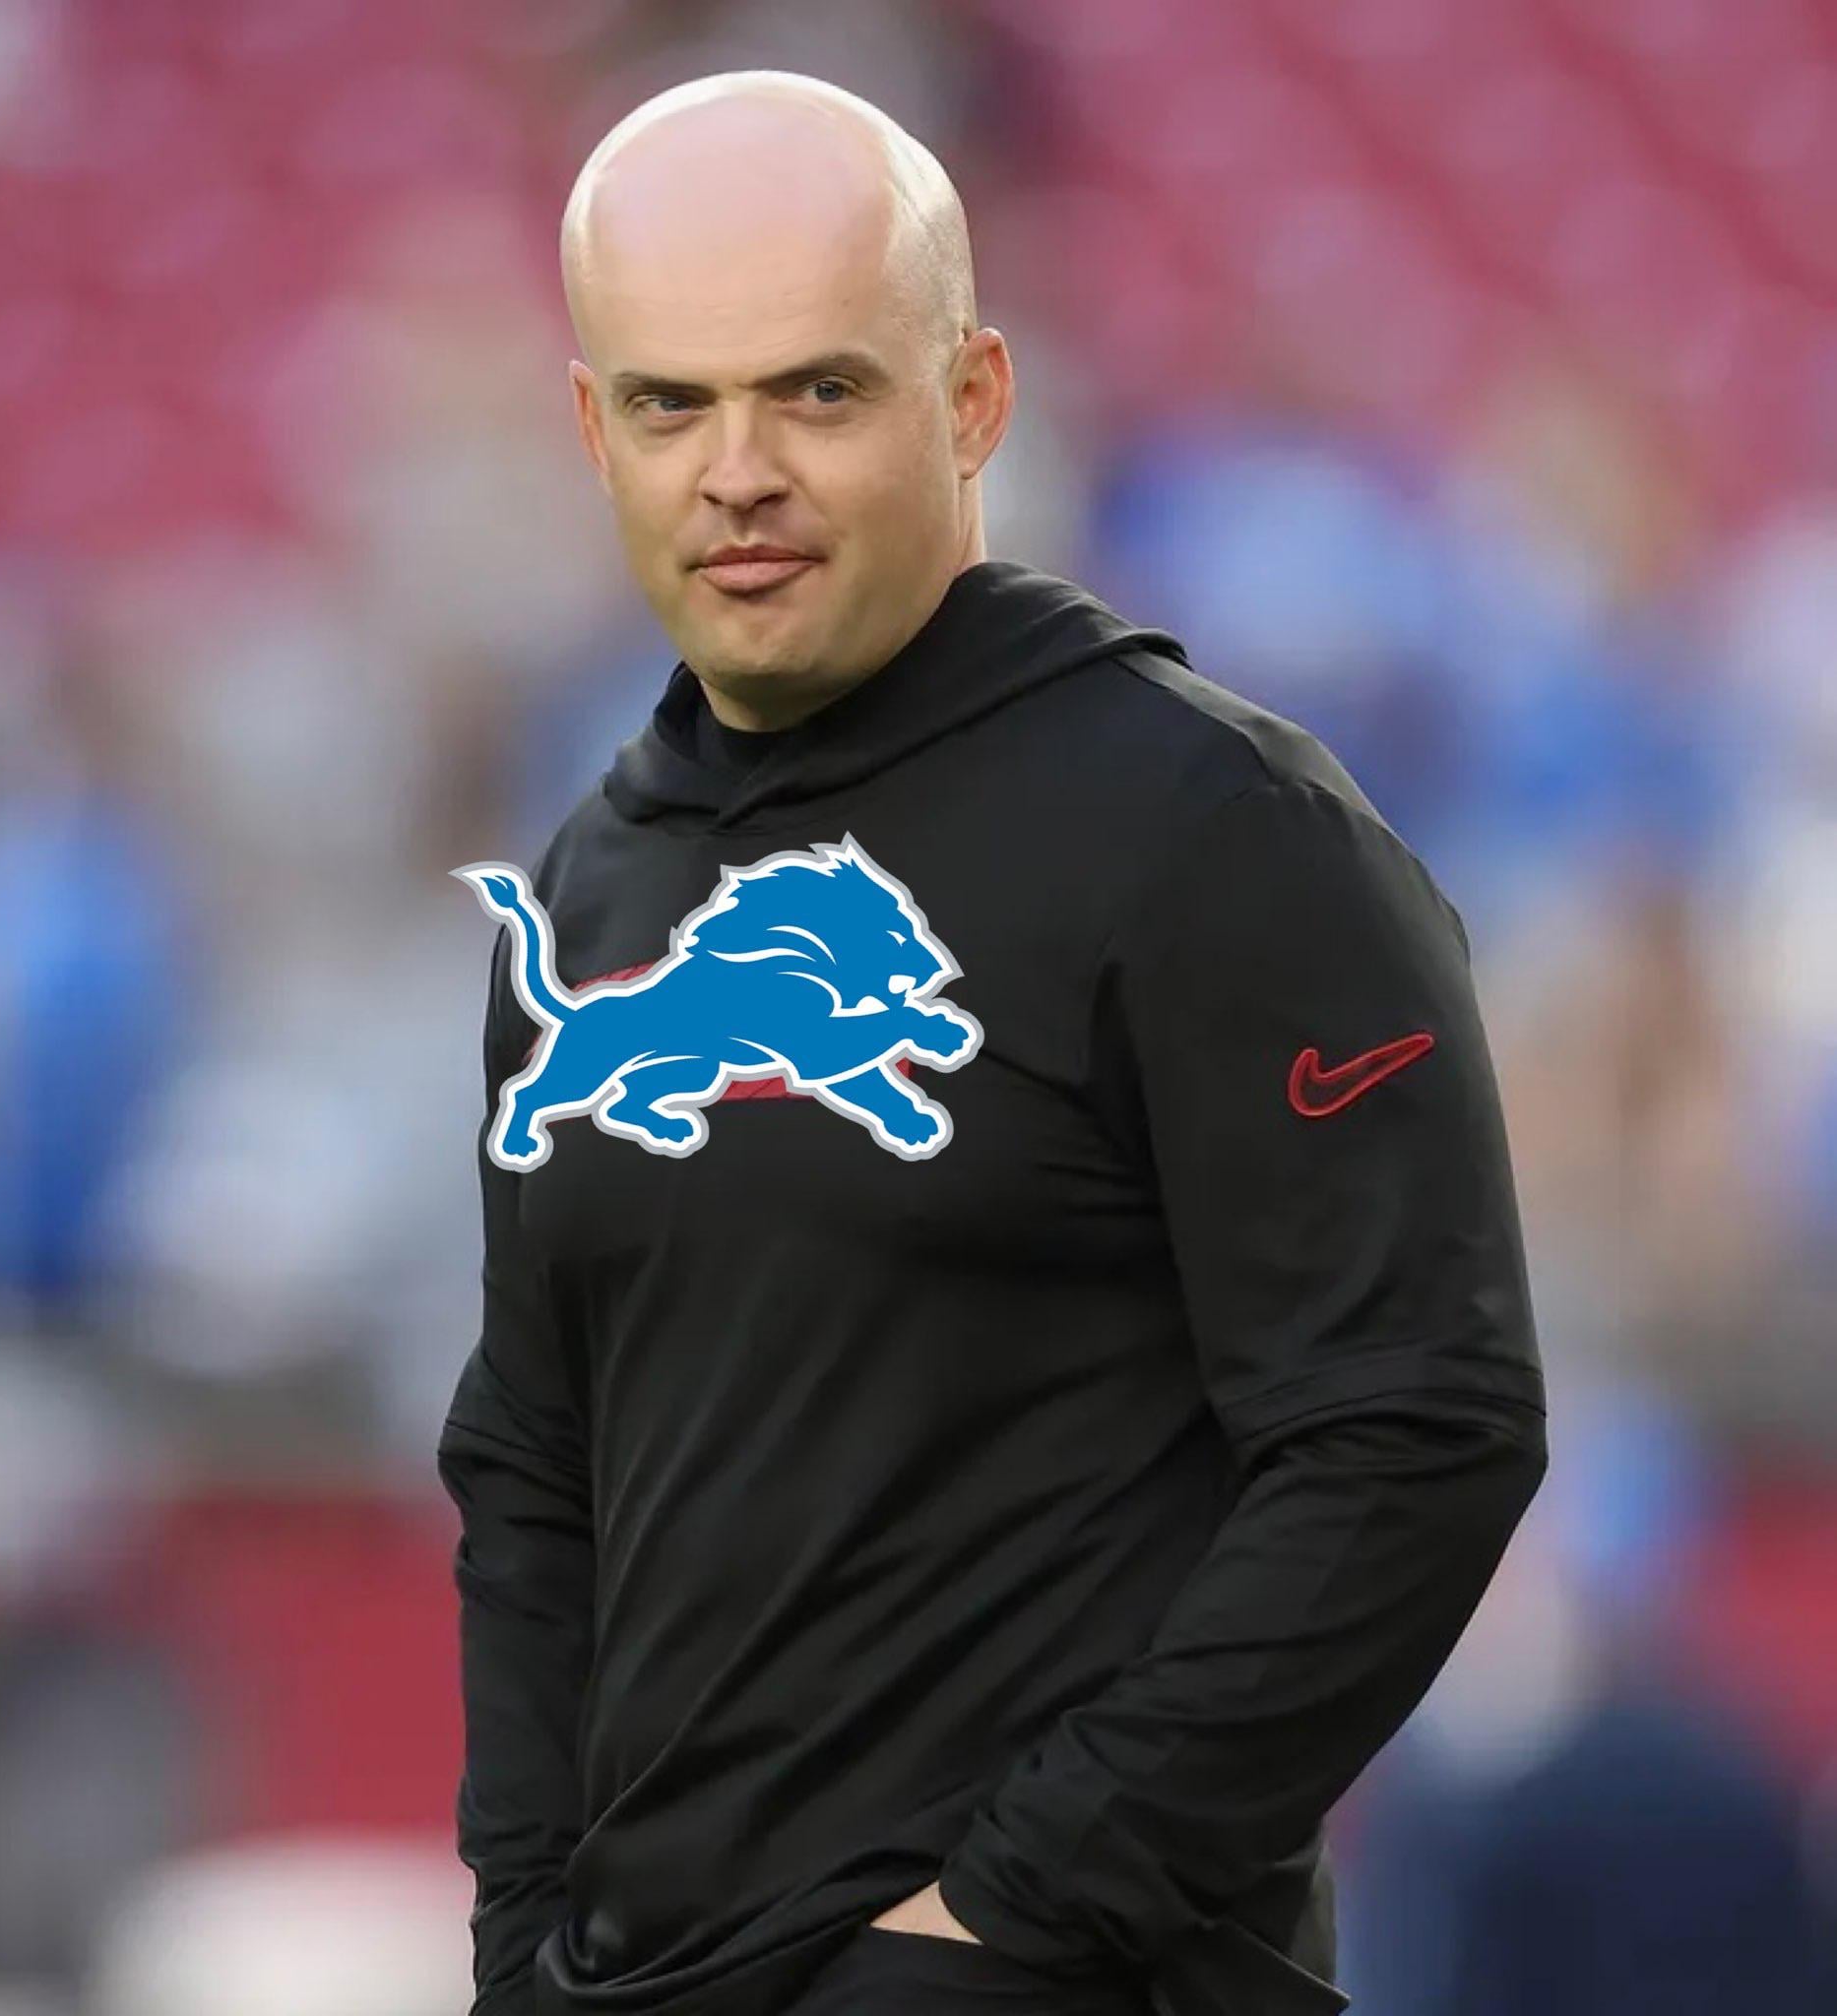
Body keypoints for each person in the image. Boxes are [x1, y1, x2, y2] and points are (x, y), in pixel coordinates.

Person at [434, 67, 1549, 2016]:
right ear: (595, 430)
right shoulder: (593, 882)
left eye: (818, 390)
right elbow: (534, 1468)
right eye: (674, 404)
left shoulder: (1218, 832)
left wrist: (1019, 1911)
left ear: (972, 401)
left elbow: (1418, 1428)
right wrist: (523, 1950)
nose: (739, 470)